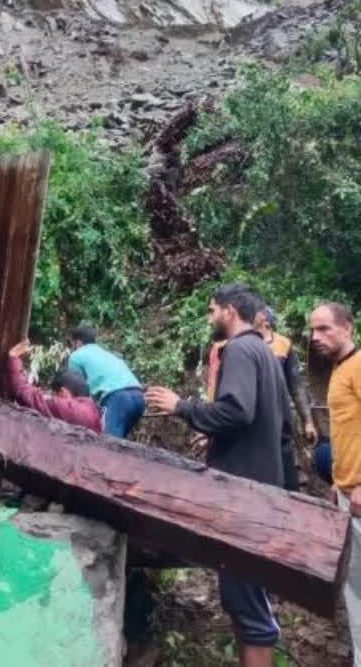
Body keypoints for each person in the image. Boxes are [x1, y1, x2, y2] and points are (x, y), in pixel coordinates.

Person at [146, 284, 285, 667]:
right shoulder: (267, 354)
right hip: (259, 489)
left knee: (250, 605)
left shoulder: (239, 349)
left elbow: (237, 412)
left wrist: (182, 406)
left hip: (243, 495)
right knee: (245, 599)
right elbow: (270, 421)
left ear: (229, 311)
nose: (209, 318)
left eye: (211, 311)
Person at [207, 306, 316, 490]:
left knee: (287, 478)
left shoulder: (282, 345)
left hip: (277, 420)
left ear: (265, 319)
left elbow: (295, 385)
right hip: (244, 425)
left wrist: (307, 421)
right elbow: (214, 387)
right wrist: (209, 425)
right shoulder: (226, 346)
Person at [308, 301, 361, 660]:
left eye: (324, 328)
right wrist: (338, 481)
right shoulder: (339, 371)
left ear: (348, 328)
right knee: (355, 588)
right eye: (312, 331)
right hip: (346, 492)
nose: (315, 337)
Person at [67, 326, 145, 438]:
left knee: (108, 445)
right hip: (139, 397)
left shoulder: (76, 356)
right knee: (121, 445)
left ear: (78, 342)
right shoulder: (106, 354)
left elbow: (76, 388)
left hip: (118, 398)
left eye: (71, 343)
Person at [6, 341, 102, 432]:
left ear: (63, 392)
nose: (54, 397)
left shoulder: (67, 408)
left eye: (55, 394)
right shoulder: (92, 410)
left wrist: (14, 358)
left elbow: (24, 391)